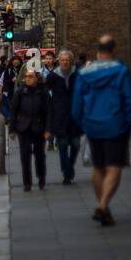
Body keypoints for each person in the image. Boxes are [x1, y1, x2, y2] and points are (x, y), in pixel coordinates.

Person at [71, 35, 131, 226]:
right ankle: (103, 204)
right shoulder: (121, 71)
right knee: (114, 166)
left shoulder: (84, 73)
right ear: (113, 51)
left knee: (98, 167)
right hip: (115, 124)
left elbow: (76, 104)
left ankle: (103, 208)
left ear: (97, 51)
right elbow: (129, 100)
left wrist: (82, 123)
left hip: (92, 125)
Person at [9, 65, 50, 191]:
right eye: (26, 77)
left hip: (39, 126)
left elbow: (48, 111)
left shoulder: (42, 92)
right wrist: (12, 129)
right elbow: (14, 111)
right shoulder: (20, 92)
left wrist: (48, 129)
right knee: (25, 155)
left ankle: (41, 177)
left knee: (39, 155)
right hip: (23, 127)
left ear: (36, 79)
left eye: (31, 77)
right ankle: (27, 182)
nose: (28, 79)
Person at [46, 48, 81, 184]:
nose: (65, 63)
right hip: (59, 115)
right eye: (62, 60)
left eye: (67, 60)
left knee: (76, 144)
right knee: (63, 144)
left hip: (74, 115)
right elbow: (46, 93)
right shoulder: (53, 76)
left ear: (71, 61)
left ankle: (70, 165)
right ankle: (66, 172)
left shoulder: (77, 75)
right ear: (58, 61)